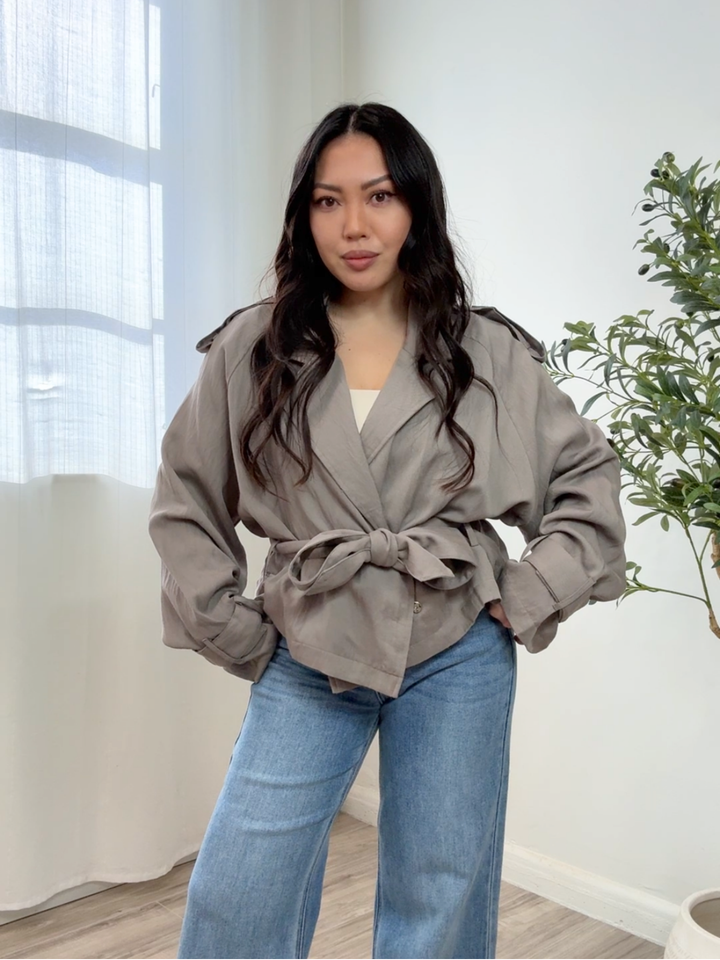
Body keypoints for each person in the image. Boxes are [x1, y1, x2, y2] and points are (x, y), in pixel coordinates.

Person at [148, 101, 628, 959]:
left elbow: (586, 479)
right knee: (239, 889)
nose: (355, 226)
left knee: (439, 896)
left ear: (416, 206)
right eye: (328, 201)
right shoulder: (252, 347)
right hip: (309, 643)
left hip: (456, 645)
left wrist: (524, 596)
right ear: (303, 215)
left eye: (379, 196)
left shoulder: (487, 350)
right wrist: (236, 632)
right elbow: (186, 496)